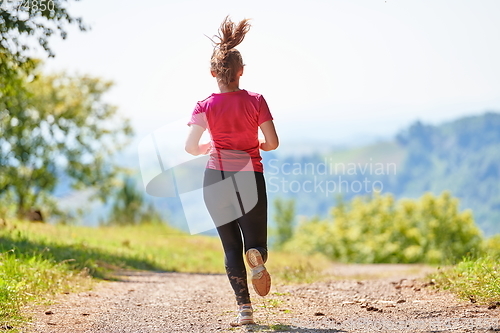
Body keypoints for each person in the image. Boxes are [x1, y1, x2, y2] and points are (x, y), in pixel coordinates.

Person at [185, 16, 279, 326]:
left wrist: (207, 148)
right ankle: (257, 258)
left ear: (213, 73)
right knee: (256, 244)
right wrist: (261, 145)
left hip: (215, 178)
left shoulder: (204, 106)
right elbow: (273, 142)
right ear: (241, 72)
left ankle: (245, 312)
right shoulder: (256, 100)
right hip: (249, 175)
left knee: (229, 247)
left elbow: (190, 146)